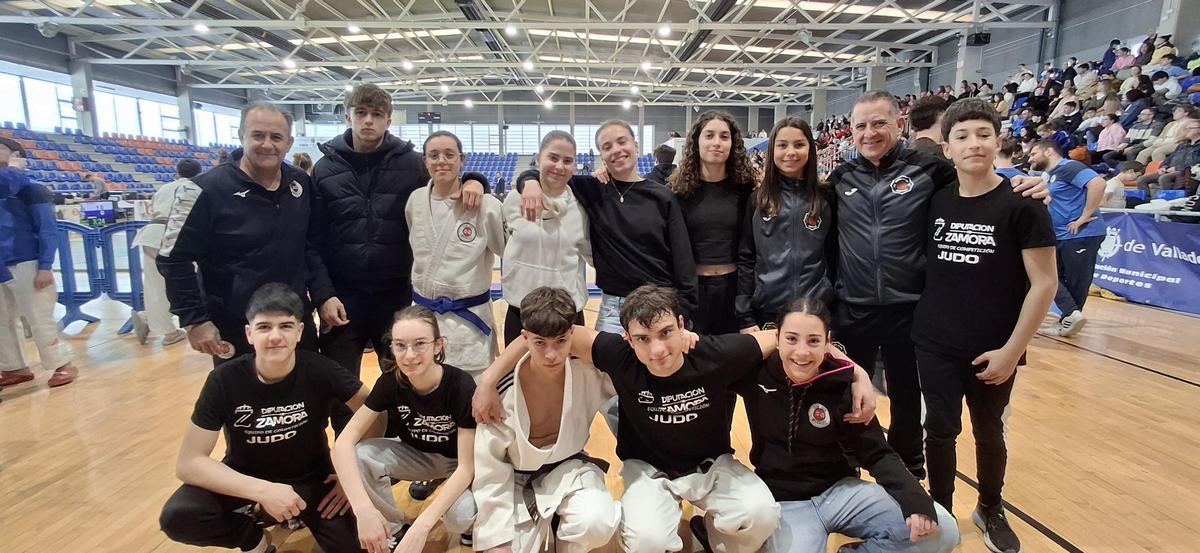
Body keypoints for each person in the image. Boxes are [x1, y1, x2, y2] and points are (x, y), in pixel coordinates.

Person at [826, 90, 1046, 480]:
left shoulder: (929, 169)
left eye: (879, 123)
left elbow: (978, 184)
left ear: (900, 125)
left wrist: (1022, 182)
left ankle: (909, 470)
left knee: (907, 398)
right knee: (849, 392)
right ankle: (849, 466)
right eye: (860, 126)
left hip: (911, 308)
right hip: (854, 306)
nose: (870, 132)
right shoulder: (842, 177)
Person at [476, 285, 781, 553]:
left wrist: (826, 353)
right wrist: (489, 380)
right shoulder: (617, 355)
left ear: (681, 325)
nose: (658, 349)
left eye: (666, 333)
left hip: (712, 465)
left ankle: (716, 540)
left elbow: (781, 338)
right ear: (628, 340)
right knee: (647, 543)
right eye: (643, 338)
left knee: (762, 514)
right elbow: (544, 333)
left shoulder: (714, 353)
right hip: (648, 470)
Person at [916, 97, 1058, 553]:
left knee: (989, 430)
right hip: (935, 341)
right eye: (962, 136)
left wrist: (1013, 352)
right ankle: (940, 510)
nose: (974, 144)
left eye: (983, 135)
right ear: (947, 147)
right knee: (938, 430)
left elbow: (1044, 285)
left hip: (995, 347)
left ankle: (991, 507)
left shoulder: (1023, 203)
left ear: (998, 141)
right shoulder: (935, 200)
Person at [309, 84, 486, 433]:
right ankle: (349, 459)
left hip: (396, 297)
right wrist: (323, 294)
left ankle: (405, 449)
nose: (369, 121)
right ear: (349, 116)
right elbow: (313, 240)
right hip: (342, 299)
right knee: (339, 388)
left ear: (389, 120)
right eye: (361, 113)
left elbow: (445, 183)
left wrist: (477, 180)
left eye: (377, 115)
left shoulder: (410, 164)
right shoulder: (324, 168)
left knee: (409, 380)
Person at [158, 283, 369, 553]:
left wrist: (352, 474)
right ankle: (253, 539)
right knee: (179, 516)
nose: (275, 336)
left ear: (300, 331)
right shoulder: (224, 379)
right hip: (245, 477)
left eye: (285, 326)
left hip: (313, 479)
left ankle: (290, 514)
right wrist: (262, 491)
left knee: (359, 545)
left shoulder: (319, 369)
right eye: (264, 327)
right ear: (249, 333)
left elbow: (373, 411)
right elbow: (188, 463)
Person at [740, 299, 958, 553]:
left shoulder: (843, 385)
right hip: (785, 502)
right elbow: (710, 360)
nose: (801, 352)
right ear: (776, 338)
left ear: (827, 342)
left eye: (813, 341)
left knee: (943, 529)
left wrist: (915, 499)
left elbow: (877, 453)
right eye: (791, 339)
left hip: (841, 492)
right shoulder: (755, 374)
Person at [158, 102, 332, 362]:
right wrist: (194, 320)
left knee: (306, 397)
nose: (267, 144)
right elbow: (174, 258)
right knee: (241, 400)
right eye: (258, 135)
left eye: (276, 137)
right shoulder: (203, 190)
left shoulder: (301, 183)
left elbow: (310, 246)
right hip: (235, 324)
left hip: (294, 319)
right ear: (241, 136)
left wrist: (324, 295)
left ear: (289, 142)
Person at [473, 287, 620, 553]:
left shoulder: (590, 374)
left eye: (560, 342)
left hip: (571, 469)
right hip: (513, 481)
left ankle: (563, 536)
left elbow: (641, 373)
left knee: (596, 522)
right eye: (540, 343)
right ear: (524, 338)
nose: (551, 354)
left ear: (572, 336)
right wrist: (497, 537)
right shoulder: (500, 392)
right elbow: (490, 467)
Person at [516, 120, 697, 333]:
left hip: (662, 306)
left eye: (622, 142)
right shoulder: (592, 189)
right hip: (614, 309)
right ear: (602, 155)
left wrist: (684, 311)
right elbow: (552, 174)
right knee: (606, 367)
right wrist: (529, 182)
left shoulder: (663, 197)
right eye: (607, 146)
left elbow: (683, 259)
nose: (617, 150)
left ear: (635, 145)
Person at [330, 306, 477, 553]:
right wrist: (364, 511)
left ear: (438, 345)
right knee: (360, 454)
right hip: (417, 454)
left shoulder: (460, 385)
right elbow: (341, 446)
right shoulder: (391, 381)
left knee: (459, 517)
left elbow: (467, 467)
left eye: (419, 344)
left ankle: (471, 526)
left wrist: (422, 526)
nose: (409, 355)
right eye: (400, 345)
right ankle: (393, 529)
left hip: (459, 461)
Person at [406, 130, 505, 379]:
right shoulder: (415, 201)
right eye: (434, 155)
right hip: (423, 317)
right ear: (425, 161)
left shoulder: (488, 206)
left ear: (462, 159)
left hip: (468, 321)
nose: (442, 161)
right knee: (425, 395)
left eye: (450, 154)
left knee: (472, 403)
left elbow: (509, 251)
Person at [736, 117, 837, 331]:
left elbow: (834, 253)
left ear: (810, 149)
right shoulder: (758, 199)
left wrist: (830, 297)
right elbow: (746, 257)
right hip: (768, 307)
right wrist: (744, 314)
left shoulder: (826, 196)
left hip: (815, 308)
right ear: (772, 150)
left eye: (799, 144)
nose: (790, 152)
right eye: (782, 145)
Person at [0, 136, 78, 388]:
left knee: (38, 316)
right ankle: (14, 367)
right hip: (2, 264)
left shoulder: (33, 189)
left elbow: (47, 229)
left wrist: (45, 265)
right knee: (2, 319)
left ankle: (61, 363)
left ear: (17, 156)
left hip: (27, 262)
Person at [668, 111, 756, 334]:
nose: (717, 143)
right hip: (692, 293)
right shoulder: (677, 192)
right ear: (696, 142)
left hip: (736, 290)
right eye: (709, 136)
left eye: (724, 137)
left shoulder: (746, 190)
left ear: (732, 144)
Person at [501, 131, 590, 345]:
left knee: (571, 377)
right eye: (553, 158)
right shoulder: (513, 200)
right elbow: (499, 243)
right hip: (520, 313)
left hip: (568, 316)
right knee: (516, 378)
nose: (560, 166)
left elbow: (592, 253)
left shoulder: (582, 208)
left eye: (567, 161)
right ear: (538, 158)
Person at [1027, 139, 1106, 337]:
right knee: (1053, 275)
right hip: (1062, 234)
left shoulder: (1069, 167)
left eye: (1034, 153)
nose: (1030, 159)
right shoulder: (1052, 175)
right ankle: (1071, 315)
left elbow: (1098, 183)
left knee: (1077, 279)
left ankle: (1069, 319)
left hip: (1081, 233)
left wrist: (1085, 216)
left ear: (1049, 152)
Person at [131, 159, 199, 346]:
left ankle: (155, 323)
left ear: (177, 172)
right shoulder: (198, 187)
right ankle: (186, 325)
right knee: (188, 281)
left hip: (152, 234)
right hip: (176, 235)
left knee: (156, 285)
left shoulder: (163, 188)